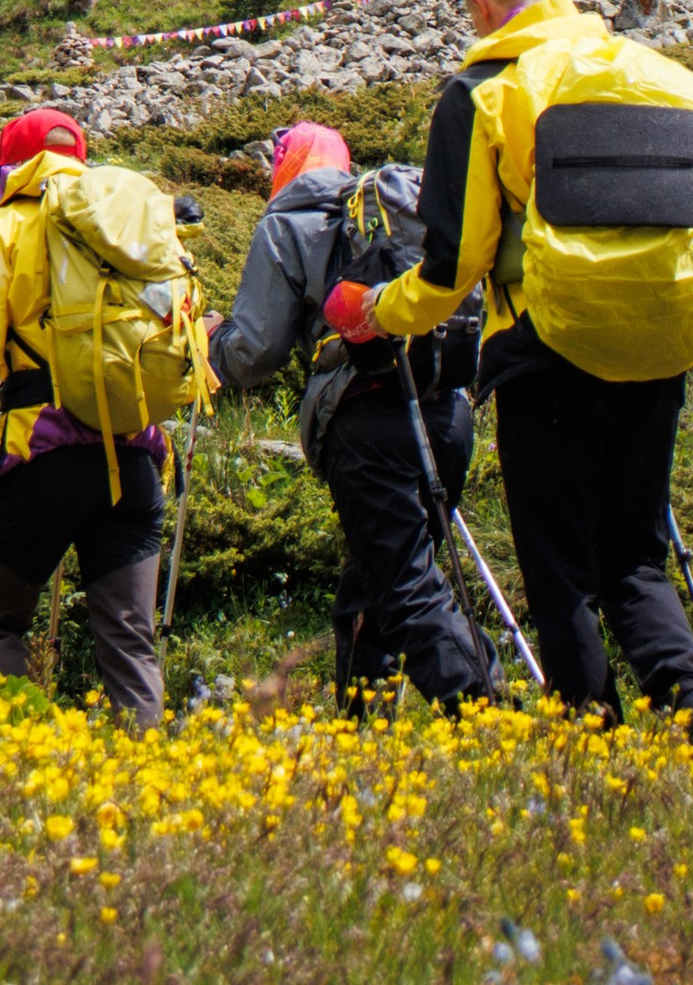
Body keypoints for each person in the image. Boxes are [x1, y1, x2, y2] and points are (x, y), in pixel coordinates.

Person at [324, 0, 693, 734]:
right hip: (665, 337)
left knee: (560, 567)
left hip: (547, 345)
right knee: (636, 553)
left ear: (479, 5)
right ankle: (691, 700)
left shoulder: (483, 89)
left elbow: (454, 268)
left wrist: (377, 312)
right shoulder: (669, 80)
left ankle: (590, 733)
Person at [210, 117, 492, 709]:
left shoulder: (288, 221)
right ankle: (362, 728)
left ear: (284, 167)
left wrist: (211, 342)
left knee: (402, 589)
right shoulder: (390, 213)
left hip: (367, 419)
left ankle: (486, 706)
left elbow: (254, 351)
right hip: (447, 412)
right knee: (372, 588)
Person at [0, 106, 166, 727]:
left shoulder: (0, 229)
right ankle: (154, 777)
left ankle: (18, 774)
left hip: (41, 457)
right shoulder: (126, 225)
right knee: (130, 638)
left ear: (10, 168)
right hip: (133, 455)